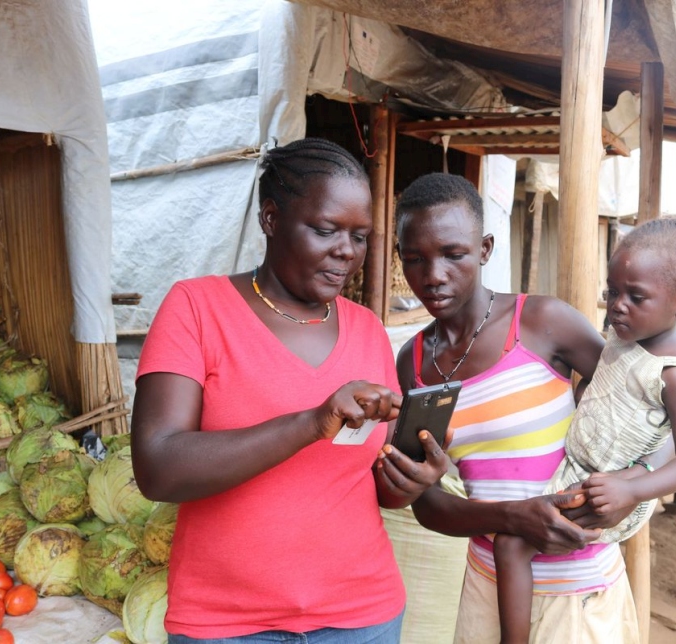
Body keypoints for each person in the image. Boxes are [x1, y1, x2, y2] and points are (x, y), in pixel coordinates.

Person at [130, 138, 450, 643]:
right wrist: (311, 423)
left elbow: (373, 482)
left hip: (361, 617)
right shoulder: (196, 308)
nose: (347, 250)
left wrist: (411, 478)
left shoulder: (367, 328)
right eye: (326, 230)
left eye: (360, 236)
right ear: (271, 218)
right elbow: (158, 468)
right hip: (226, 625)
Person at [394, 173, 668, 644]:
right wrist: (510, 517)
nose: (433, 275)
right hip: (488, 590)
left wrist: (631, 484)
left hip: (580, 597)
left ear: (484, 249)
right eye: (415, 259)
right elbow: (429, 505)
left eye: (453, 254)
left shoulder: (541, 322)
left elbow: (654, 415)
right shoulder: (414, 363)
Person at [492, 218, 676, 643]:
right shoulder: (622, 340)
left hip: (607, 492)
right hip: (587, 470)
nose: (618, 305)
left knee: (510, 542)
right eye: (612, 292)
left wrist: (632, 490)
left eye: (636, 297)